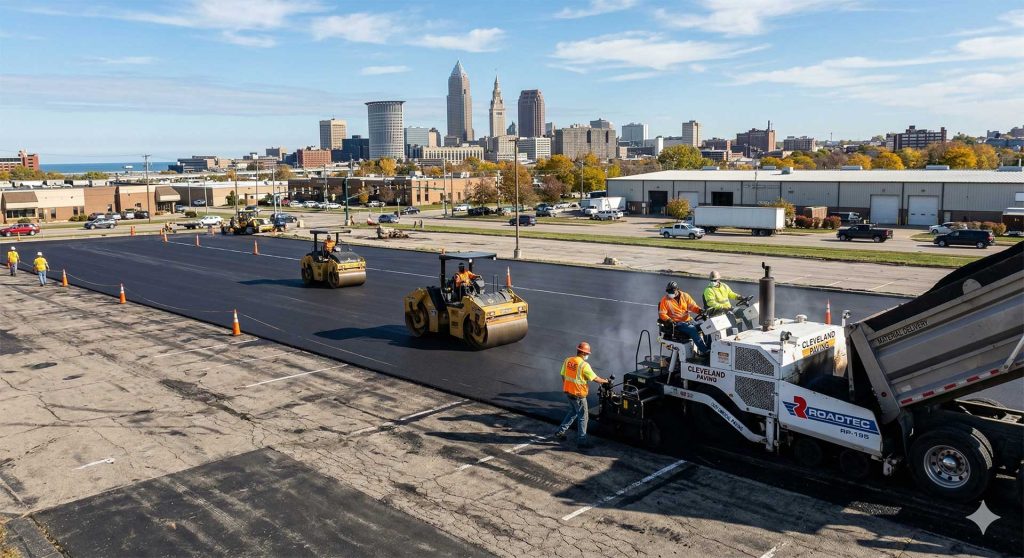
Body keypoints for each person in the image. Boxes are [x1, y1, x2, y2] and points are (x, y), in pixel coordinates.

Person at [554, 341, 609, 448]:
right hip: (579, 395)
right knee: (583, 417)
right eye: (587, 353)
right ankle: (582, 442)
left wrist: (567, 386)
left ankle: (560, 432)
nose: (588, 355)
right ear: (584, 353)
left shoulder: (568, 360)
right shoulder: (584, 365)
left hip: (569, 392)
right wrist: (606, 381)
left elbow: (563, 374)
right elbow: (595, 378)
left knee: (573, 412)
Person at [659, 281, 709, 354]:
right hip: (677, 324)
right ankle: (705, 351)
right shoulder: (665, 300)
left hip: (688, 321)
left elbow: (693, 307)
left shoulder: (685, 296)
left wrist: (700, 311)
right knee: (692, 329)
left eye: (672, 291)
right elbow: (662, 314)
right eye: (668, 292)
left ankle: (708, 347)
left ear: (677, 289)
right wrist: (669, 320)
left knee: (704, 325)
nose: (670, 293)